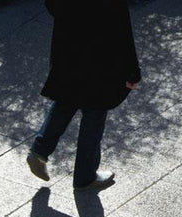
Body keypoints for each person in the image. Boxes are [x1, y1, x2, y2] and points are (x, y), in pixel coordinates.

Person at [27, 0, 141, 191]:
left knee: (66, 99)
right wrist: (132, 69)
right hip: (100, 53)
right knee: (95, 111)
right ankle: (85, 176)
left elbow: (53, 6)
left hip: (69, 47)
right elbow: (120, 25)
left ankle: (39, 151)